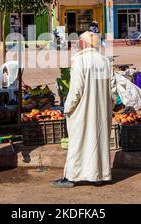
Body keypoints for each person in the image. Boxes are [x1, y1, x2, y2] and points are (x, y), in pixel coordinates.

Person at [52, 31, 114, 188]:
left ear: (82, 44)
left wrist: (68, 107)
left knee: (78, 142)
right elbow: (112, 89)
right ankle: (98, 176)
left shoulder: (80, 61)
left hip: (82, 110)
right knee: (98, 141)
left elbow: (76, 90)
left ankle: (71, 177)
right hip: (101, 110)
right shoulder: (105, 61)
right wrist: (107, 107)